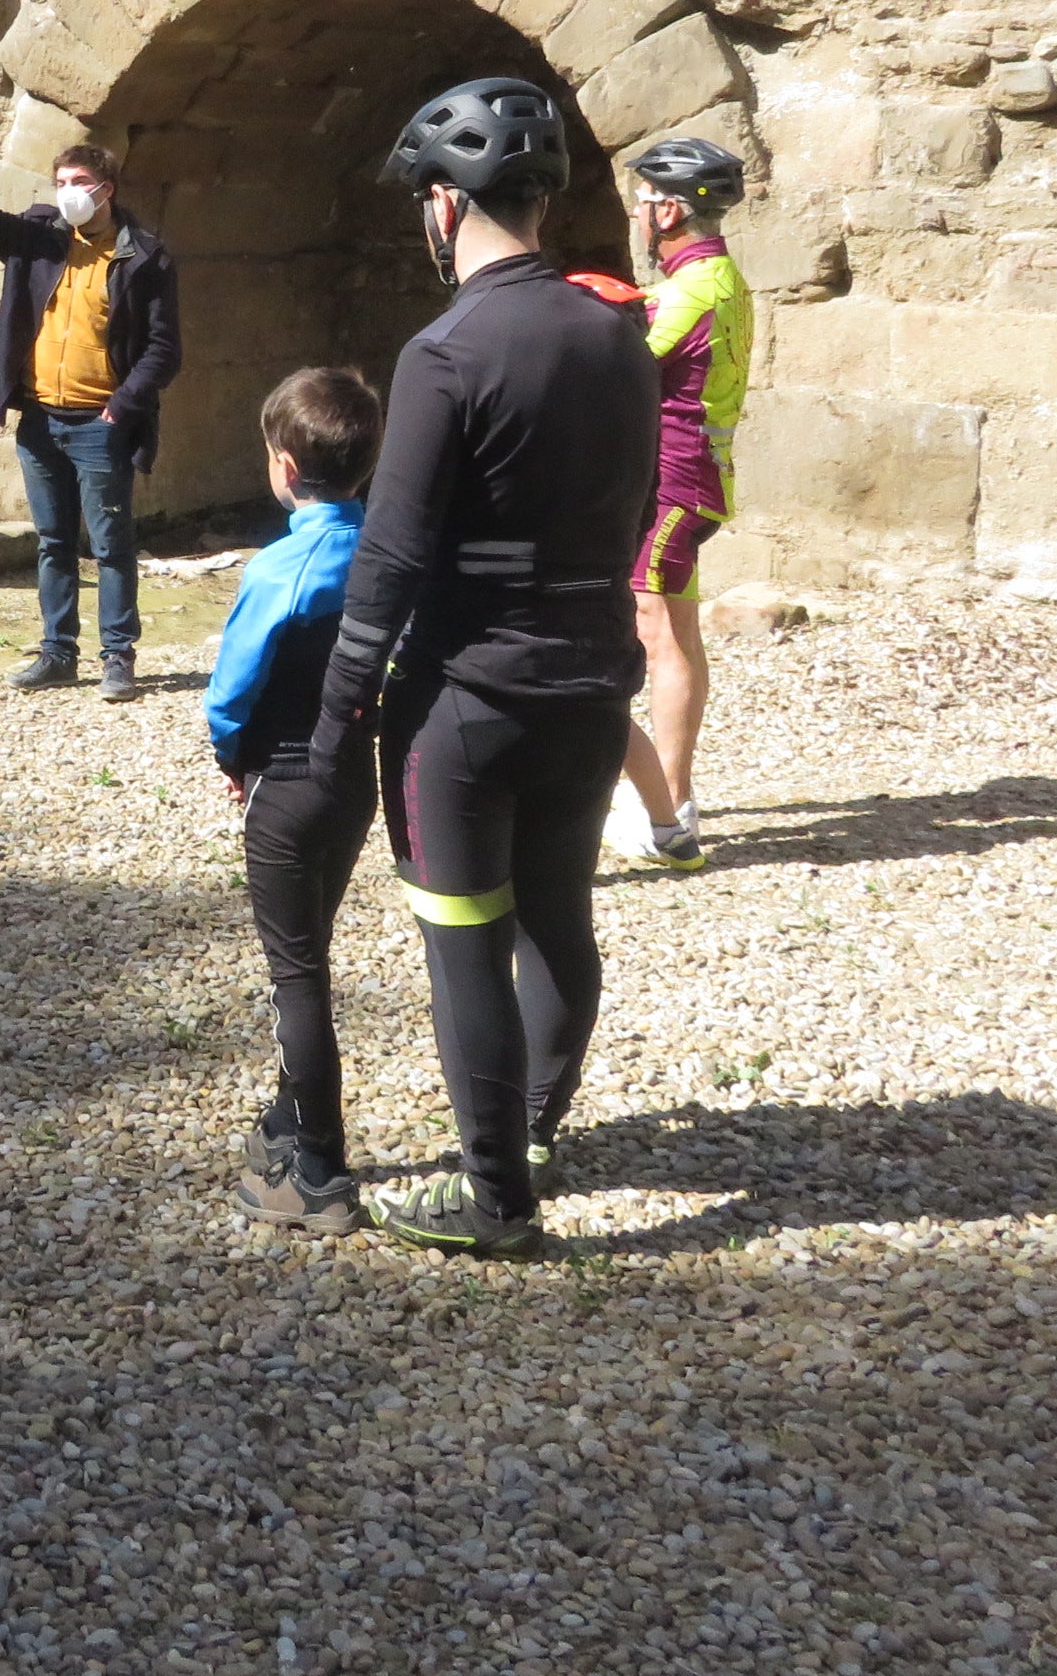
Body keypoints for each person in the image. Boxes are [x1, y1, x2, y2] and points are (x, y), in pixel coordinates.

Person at [308, 79, 656, 1257]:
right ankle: (537, 1130)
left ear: (445, 209)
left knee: (465, 935)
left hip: (467, 696)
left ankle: (496, 1194)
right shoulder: (618, 327)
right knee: (558, 911)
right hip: (594, 679)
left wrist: (336, 709)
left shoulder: (446, 349)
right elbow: (636, 504)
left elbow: (395, 552)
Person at [209, 367, 385, 1235]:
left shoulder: (289, 561)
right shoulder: (382, 544)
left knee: (296, 975)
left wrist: (229, 752)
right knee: (310, 945)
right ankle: (288, 1117)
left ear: (284, 465)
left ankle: (318, 1167)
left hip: (288, 779)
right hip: (355, 775)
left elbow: (234, 685)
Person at [0, 136, 182, 700]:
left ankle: (118, 657)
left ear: (107, 189)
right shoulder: (38, 236)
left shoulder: (144, 255)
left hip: (99, 423)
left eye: (80, 183)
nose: (69, 194)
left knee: (111, 545)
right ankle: (57, 653)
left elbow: (163, 348)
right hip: (39, 418)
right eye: (61, 183)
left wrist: (122, 406)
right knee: (53, 541)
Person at [615, 136, 754, 873]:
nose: (638, 213)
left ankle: (664, 806)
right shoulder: (722, 274)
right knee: (680, 630)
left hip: (675, 481)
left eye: (642, 201)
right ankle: (674, 790)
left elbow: (621, 367)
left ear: (668, 210)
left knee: (657, 630)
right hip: (697, 478)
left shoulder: (687, 289)